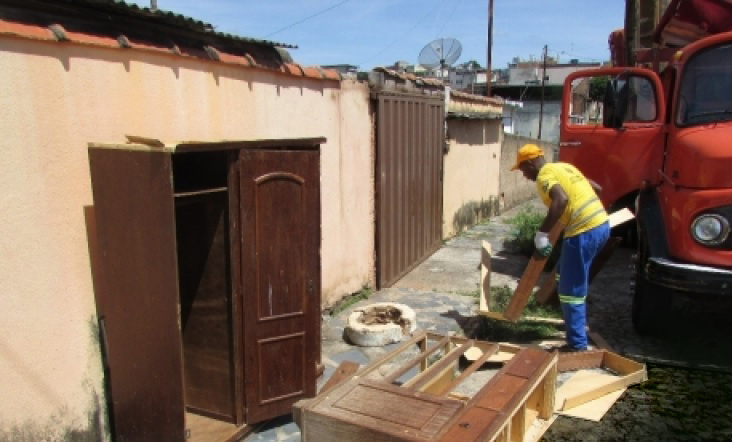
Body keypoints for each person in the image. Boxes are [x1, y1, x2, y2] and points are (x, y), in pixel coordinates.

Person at [511, 144, 609, 352]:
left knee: (571, 291)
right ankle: (568, 316)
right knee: (563, 272)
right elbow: (597, 189)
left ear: (530, 163)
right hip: (601, 225)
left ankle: (577, 345)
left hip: (583, 233)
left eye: (523, 170)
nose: (524, 176)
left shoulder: (544, 176)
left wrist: (542, 234)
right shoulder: (564, 167)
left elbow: (561, 200)